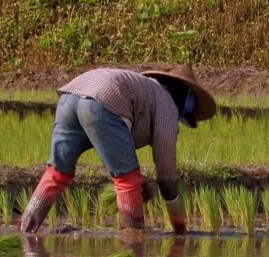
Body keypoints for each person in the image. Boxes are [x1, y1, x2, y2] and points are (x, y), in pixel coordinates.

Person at [19, 64, 216, 234]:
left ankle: (26, 229)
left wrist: (142, 183)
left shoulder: (146, 91)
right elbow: (166, 172)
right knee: (127, 181)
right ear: (186, 96)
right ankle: (132, 240)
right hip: (102, 103)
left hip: (69, 99)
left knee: (57, 172)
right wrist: (178, 223)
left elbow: (108, 145)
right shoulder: (167, 105)